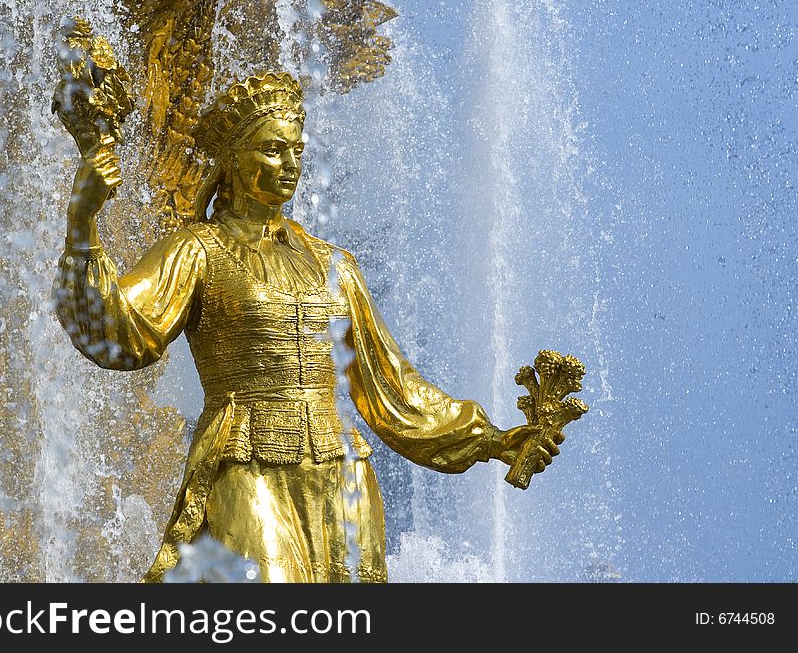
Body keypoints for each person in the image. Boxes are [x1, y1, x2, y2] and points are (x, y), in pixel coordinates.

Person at [52, 72, 562, 583]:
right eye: (273, 149)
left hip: (343, 479)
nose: (290, 164)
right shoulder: (196, 249)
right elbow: (120, 329)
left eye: (296, 149)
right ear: (232, 159)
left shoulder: (335, 265)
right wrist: (84, 218)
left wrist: (491, 440)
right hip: (246, 465)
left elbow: (392, 387)